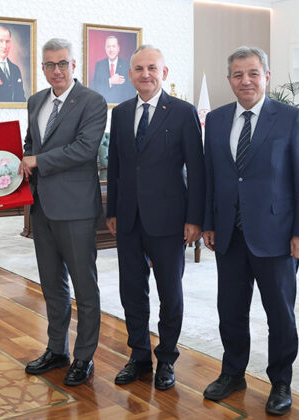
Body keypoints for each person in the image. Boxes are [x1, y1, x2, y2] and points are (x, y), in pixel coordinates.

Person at [201, 46, 299, 416]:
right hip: (229, 234)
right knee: (230, 310)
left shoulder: (290, 118)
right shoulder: (216, 120)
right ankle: (233, 373)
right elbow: (211, 177)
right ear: (229, 80)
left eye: (253, 73)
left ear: (266, 76)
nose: (246, 81)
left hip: (277, 236)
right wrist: (209, 223)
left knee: (279, 314)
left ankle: (281, 381)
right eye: (238, 74)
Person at [105, 45, 205, 391]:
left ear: (164, 73)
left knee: (170, 293)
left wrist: (195, 218)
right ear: (130, 74)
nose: (145, 74)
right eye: (138, 69)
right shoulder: (120, 113)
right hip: (128, 219)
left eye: (152, 68)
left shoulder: (182, 112)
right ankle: (139, 357)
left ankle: (166, 359)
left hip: (169, 219)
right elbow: (116, 166)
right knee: (131, 291)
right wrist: (112, 211)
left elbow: (197, 169)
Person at [19, 38, 107, 386]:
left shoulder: (92, 101)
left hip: (76, 208)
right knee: (52, 284)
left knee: (84, 287)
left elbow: (85, 149)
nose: (56, 70)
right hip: (41, 207)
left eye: (63, 64)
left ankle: (84, 357)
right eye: (49, 64)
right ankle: (57, 349)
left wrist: (37, 161)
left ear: (74, 65)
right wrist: (21, 160)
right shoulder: (35, 101)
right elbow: (30, 143)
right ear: (42, 67)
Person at [91, 36, 135, 104]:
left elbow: (131, 91)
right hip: (103, 105)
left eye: (113, 46)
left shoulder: (127, 66)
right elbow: (94, 87)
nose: (111, 50)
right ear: (105, 49)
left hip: (122, 106)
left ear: (118, 48)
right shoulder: (99, 65)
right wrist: (110, 81)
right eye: (108, 46)